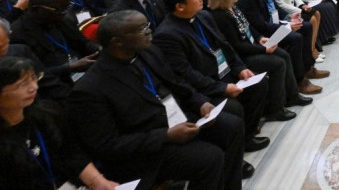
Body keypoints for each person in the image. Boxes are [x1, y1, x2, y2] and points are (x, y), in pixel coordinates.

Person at [68, 11, 247, 189]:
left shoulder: (148, 51)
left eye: (147, 25)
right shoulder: (90, 88)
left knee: (232, 126)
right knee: (209, 157)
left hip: (173, 119)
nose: (149, 31)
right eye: (141, 29)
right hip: (144, 148)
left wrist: (200, 103)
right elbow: (108, 145)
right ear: (117, 41)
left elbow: (176, 83)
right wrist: (165, 136)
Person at [154, 0, 271, 154]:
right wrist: (222, 88)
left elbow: (225, 46)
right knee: (233, 107)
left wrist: (240, 68)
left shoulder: (203, 16)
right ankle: (238, 149)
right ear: (180, 6)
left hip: (225, 72)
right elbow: (186, 74)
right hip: (206, 85)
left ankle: (248, 135)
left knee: (258, 83)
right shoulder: (167, 34)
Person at [1, 56, 118, 190]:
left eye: (34, 78)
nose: (34, 87)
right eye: (23, 84)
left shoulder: (47, 113)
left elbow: (71, 153)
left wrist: (97, 181)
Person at [208, 0, 308, 122]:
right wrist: (263, 50)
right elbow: (236, 45)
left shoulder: (233, 7)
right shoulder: (220, 16)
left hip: (253, 45)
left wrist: (260, 38)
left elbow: (248, 27)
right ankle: (275, 109)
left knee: (284, 55)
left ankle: (292, 96)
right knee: (277, 64)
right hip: (242, 56)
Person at [236, 0, 325, 95]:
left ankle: (308, 68)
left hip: (274, 24)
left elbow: (275, 7)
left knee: (306, 26)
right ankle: (299, 80)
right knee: (295, 38)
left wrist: (288, 18)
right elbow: (259, 24)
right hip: (265, 35)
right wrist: (287, 27)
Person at [10, 0, 100, 89]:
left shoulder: (63, 18)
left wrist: (98, 50)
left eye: (67, 7)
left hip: (84, 73)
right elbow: (35, 75)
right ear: (37, 9)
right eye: (59, 10)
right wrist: (68, 68)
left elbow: (83, 42)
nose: (65, 12)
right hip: (53, 85)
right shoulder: (17, 34)